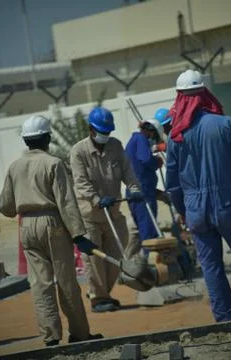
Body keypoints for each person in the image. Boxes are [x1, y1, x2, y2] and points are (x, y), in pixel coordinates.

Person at [0, 115, 101, 346]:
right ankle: (79, 333)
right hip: (52, 224)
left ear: (26, 140)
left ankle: (51, 336)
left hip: (26, 225)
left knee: (39, 284)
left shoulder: (14, 167)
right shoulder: (53, 163)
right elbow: (66, 202)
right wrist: (78, 234)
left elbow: (5, 206)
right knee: (66, 281)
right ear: (47, 138)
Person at [166, 69, 231, 322]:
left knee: (211, 267)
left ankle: (226, 319)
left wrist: (184, 211)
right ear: (205, 93)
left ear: (179, 98)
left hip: (195, 210)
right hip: (228, 203)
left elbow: (173, 184)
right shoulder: (226, 124)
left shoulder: (175, 136)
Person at [70, 107, 142, 313]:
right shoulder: (78, 151)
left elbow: (128, 171)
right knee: (95, 260)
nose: (105, 136)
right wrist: (96, 199)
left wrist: (134, 188)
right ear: (91, 129)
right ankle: (98, 298)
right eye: (102, 131)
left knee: (115, 257)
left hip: (113, 213)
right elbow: (80, 182)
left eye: (108, 132)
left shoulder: (116, 146)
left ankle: (102, 293)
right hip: (90, 216)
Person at [124, 119, 164, 257]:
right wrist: (156, 162)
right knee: (148, 234)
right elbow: (145, 160)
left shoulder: (133, 142)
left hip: (136, 192)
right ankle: (151, 268)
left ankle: (136, 264)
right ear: (151, 132)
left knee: (143, 231)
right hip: (143, 194)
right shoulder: (141, 139)